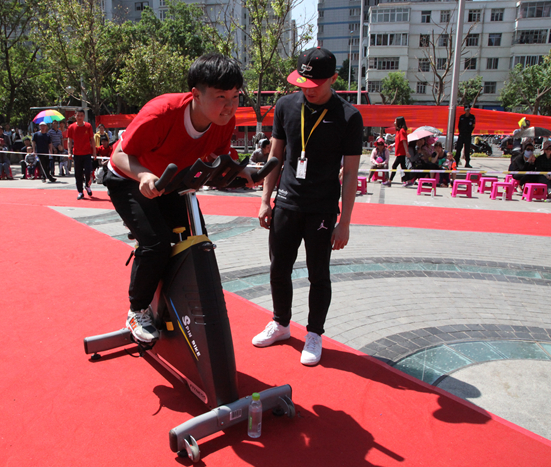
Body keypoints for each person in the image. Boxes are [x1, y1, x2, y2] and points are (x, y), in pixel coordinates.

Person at [104, 53, 252, 343]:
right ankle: (137, 310)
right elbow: (120, 155)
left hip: (171, 182)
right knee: (157, 244)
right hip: (129, 178)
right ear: (196, 94)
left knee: (197, 242)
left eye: (236, 96)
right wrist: (144, 176)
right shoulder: (161, 113)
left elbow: (219, 157)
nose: (230, 106)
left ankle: (178, 304)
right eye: (221, 97)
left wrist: (242, 170)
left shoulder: (224, 121)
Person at [253, 47, 363, 366]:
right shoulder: (285, 106)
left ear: (333, 79)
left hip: (322, 208)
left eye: (315, 84)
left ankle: (314, 333)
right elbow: (275, 157)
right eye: (303, 82)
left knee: (318, 273)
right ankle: (281, 323)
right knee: (278, 268)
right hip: (287, 202)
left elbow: (351, 173)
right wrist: (265, 200)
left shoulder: (348, 116)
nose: (308, 89)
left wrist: (345, 222)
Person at [67, 109, 97, 199]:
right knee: (78, 174)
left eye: (81, 115)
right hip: (77, 154)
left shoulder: (88, 126)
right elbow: (69, 140)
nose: (79, 117)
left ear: (84, 116)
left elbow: (92, 139)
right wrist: (69, 152)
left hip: (87, 153)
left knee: (88, 172)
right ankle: (80, 191)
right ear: (75, 116)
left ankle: (87, 186)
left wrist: (94, 152)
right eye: (78, 115)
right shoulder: (71, 127)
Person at [387, 116, 408, 186]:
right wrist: (393, 145)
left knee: (394, 166)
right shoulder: (398, 131)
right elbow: (398, 141)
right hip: (399, 152)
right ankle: (409, 180)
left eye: (395, 121)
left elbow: (404, 141)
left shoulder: (402, 131)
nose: (394, 122)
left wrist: (406, 152)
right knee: (403, 167)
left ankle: (390, 181)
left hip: (401, 152)